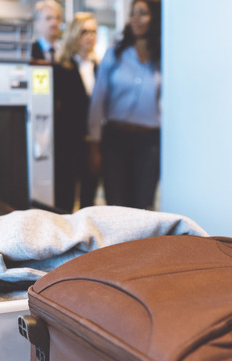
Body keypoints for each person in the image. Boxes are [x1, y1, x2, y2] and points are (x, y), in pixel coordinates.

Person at [87, 0, 161, 210]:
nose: (135, 19)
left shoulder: (164, 57)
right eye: (132, 14)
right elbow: (98, 101)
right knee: (117, 206)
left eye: (142, 13)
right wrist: (94, 146)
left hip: (149, 143)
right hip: (115, 140)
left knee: (143, 206)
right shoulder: (115, 52)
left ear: (154, 18)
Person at [53, 12, 100, 212]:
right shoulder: (62, 67)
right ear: (74, 34)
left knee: (90, 194)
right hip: (68, 140)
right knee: (66, 194)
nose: (90, 36)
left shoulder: (99, 67)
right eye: (84, 31)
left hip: (93, 142)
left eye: (94, 31)